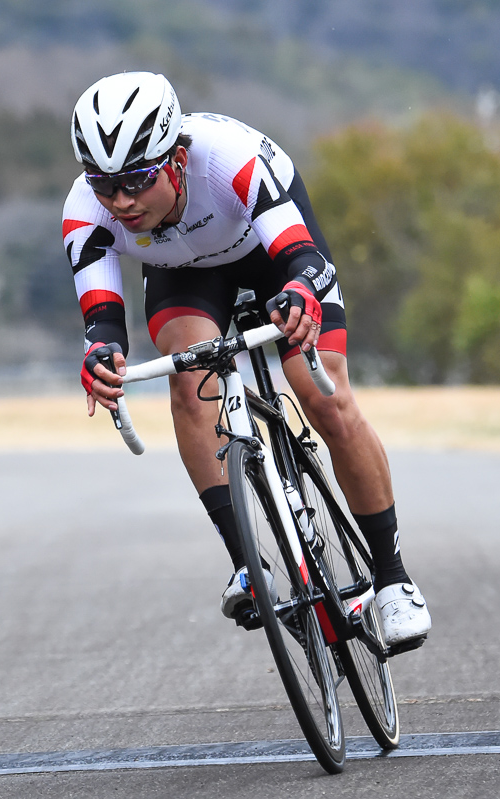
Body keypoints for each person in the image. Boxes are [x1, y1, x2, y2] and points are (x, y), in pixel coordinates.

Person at [63, 72, 431, 649]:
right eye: (105, 185)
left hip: (269, 252)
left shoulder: (227, 162)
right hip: (186, 275)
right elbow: (104, 322)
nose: (122, 202)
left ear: (177, 157)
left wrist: (301, 292)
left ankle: (392, 580)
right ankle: (248, 565)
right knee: (189, 382)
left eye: (137, 180)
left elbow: (302, 256)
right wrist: (100, 355)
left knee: (321, 395)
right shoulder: (87, 212)